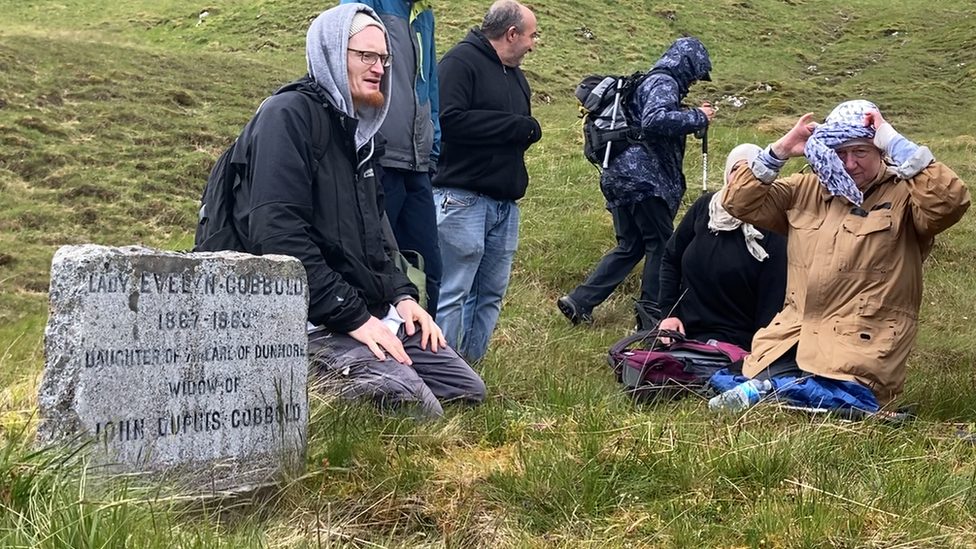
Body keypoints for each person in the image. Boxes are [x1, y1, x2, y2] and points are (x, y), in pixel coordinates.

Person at [227, 4, 486, 418]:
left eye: (383, 58)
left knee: (467, 390)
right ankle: (306, 374)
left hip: (362, 307)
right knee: (419, 410)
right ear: (330, 52)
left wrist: (402, 298)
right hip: (309, 317)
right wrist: (354, 319)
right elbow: (278, 236)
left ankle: (371, 357)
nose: (379, 68)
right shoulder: (288, 117)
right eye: (365, 55)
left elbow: (377, 237)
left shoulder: (362, 135)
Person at [722, 99, 970, 405]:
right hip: (790, 340)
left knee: (793, 404)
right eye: (840, 153)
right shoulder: (806, 190)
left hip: (861, 352)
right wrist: (780, 150)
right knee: (757, 400)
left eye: (860, 152)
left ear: (880, 151)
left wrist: (895, 142)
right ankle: (777, 389)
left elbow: (949, 202)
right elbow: (738, 202)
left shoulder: (906, 196)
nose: (850, 163)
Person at [558, 37, 714, 327]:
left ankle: (580, 301)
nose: (694, 81)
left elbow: (649, 121)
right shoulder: (664, 82)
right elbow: (654, 121)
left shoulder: (649, 83)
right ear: (687, 64)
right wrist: (697, 116)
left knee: (630, 244)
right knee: (661, 244)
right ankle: (651, 314)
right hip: (644, 179)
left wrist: (685, 116)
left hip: (618, 173)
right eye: (695, 73)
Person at [432, 0, 542, 362]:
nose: (533, 44)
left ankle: (468, 370)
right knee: (453, 290)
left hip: (504, 204)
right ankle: (439, 374)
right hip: (462, 198)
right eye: (531, 36)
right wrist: (515, 127)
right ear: (511, 34)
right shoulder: (460, 63)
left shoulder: (517, 75)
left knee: (490, 293)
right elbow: (447, 120)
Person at [340, 0, 443, 318]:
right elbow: (345, 64)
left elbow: (430, 86)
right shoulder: (368, 2)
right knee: (373, 268)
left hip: (418, 164)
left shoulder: (423, 13)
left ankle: (423, 357)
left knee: (429, 271)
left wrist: (433, 144)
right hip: (378, 159)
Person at [657, 144, 788, 351]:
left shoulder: (773, 222)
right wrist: (669, 314)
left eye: (751, 169)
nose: (742, 177)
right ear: (728, 174)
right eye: (736, 169)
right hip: (683, 330)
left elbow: (773, 296)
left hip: (738, 341)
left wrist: (760, 351)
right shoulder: (705, 207)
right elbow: (670, 259)